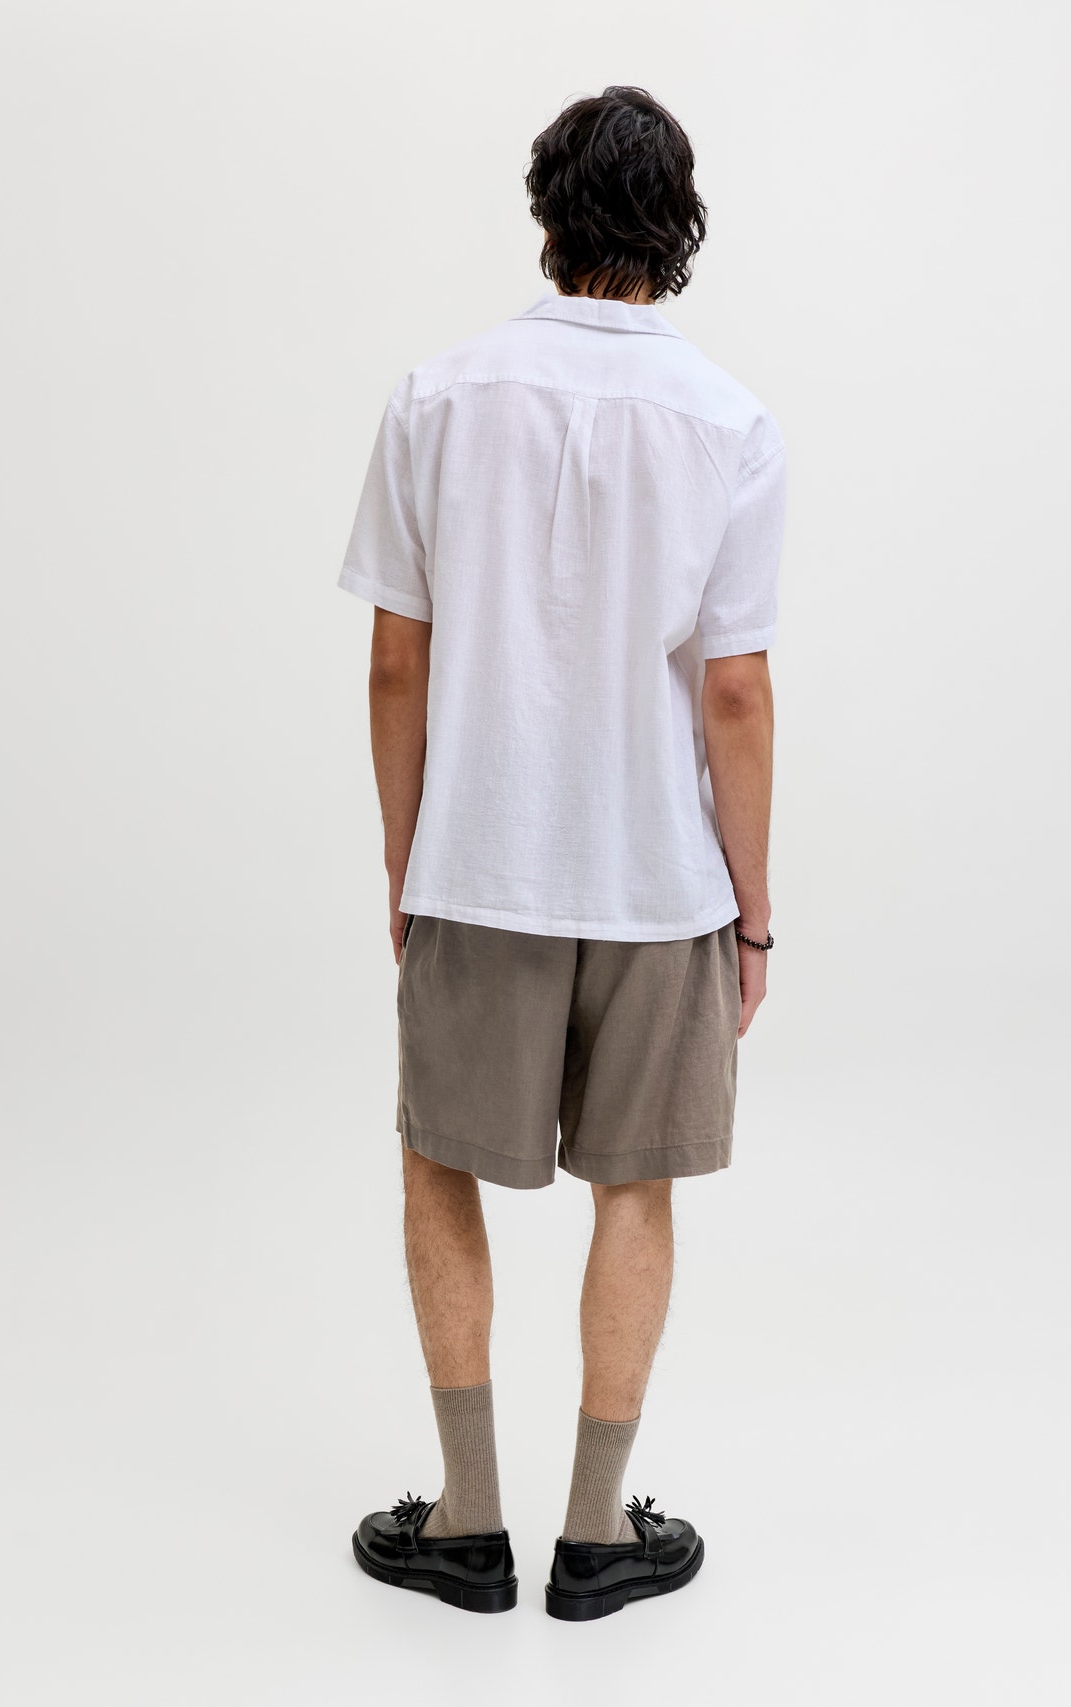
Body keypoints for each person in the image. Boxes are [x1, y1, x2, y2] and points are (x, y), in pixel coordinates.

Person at [337, 85, 786, 1621]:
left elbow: (395, 664)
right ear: (681, 227)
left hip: (478, 860)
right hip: (661, 879)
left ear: (546, 215)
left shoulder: (437, 397)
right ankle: (597, 1538)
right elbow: (736, 692)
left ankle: (466, 1521)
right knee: (634, 1188)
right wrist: (754, 914)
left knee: (438, 1162)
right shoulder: (729, 422)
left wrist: (405, 861)